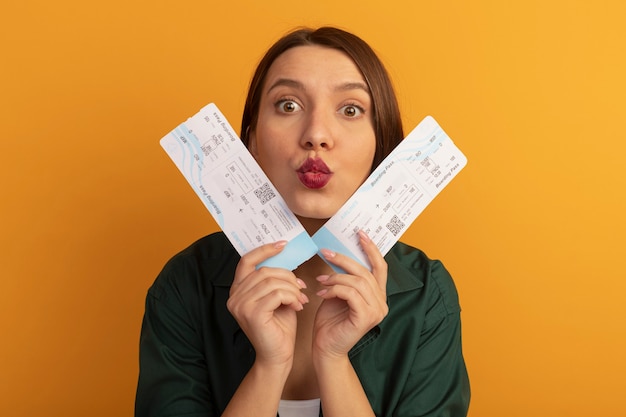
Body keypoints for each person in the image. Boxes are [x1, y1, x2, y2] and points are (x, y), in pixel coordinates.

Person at [135, 26, 470, 417]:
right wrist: (269, 365)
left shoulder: (428, 295)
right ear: (251, 142)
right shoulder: (185, 283)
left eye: (350, 109)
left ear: (382, 145)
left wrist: (333, 358)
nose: (316, 135)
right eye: (288, 105)